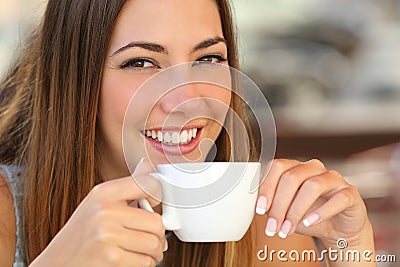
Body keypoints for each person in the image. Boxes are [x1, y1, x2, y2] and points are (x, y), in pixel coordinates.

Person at [0, 0, 375, 266]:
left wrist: (353, 250)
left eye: (208, 59)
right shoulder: (6, 219)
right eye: (140, 62)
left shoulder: (265, 228)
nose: (186, 99)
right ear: (75, 83)